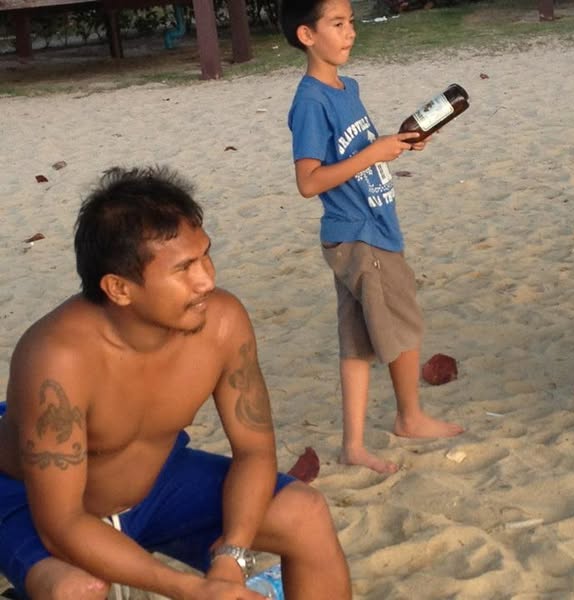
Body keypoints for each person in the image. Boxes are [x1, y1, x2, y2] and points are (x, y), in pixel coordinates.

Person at [0, 166, 351, 600]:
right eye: (184, 268)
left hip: (155, 486)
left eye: (205, 255)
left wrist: (231, 557)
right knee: (76, 590)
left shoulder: (222, 324)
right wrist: (191, 589)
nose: (207, 279)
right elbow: (62, 524)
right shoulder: (57, 359)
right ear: (119, 289)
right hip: (33, 503)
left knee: (305, 513)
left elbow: (254, 451)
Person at [279, 0, 464, 474]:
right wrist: (374, 153)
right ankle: (410, 415)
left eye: (351, 23)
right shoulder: (311, 101)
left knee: (357, 342)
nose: (349, 33)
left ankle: (355, 445)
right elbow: (309, 181)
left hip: (368, 224)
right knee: (403, 322)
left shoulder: (346, 87)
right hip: (360, 235)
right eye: (337, 24)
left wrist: (393, 147)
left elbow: (356, 153)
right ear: (306, 35)